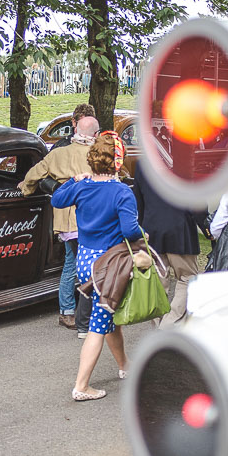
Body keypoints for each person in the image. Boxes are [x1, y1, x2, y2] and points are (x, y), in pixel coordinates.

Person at [52, 132, 140, 402]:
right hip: (109, 266)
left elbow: (57, 200)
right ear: (117, 161)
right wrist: (142, 234)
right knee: (98, 325)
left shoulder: (83, 186)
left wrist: (74, 179)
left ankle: (125, 366)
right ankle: (82, 386)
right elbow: (130, 230)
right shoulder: (122, 192)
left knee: (108, 316)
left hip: (85, 261)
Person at [20, 114, 100, 334]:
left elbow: (32, 175)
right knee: (86, 265)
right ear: (95, 134)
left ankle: (67, 311)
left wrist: (25, 189)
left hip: (66, 218)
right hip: (90, 218)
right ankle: (82, 313)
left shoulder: (59, 154)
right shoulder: (97, 154)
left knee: (71, 264)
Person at [135, 162, 212, 326]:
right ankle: (171, 322)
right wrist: (207, 228)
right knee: (188, 278)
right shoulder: (184, 162)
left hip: (151, 229)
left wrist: (141, 230)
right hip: (180, 229)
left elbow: (139, 200)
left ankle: (158, 323)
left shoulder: (144, 164)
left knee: (157, 281)